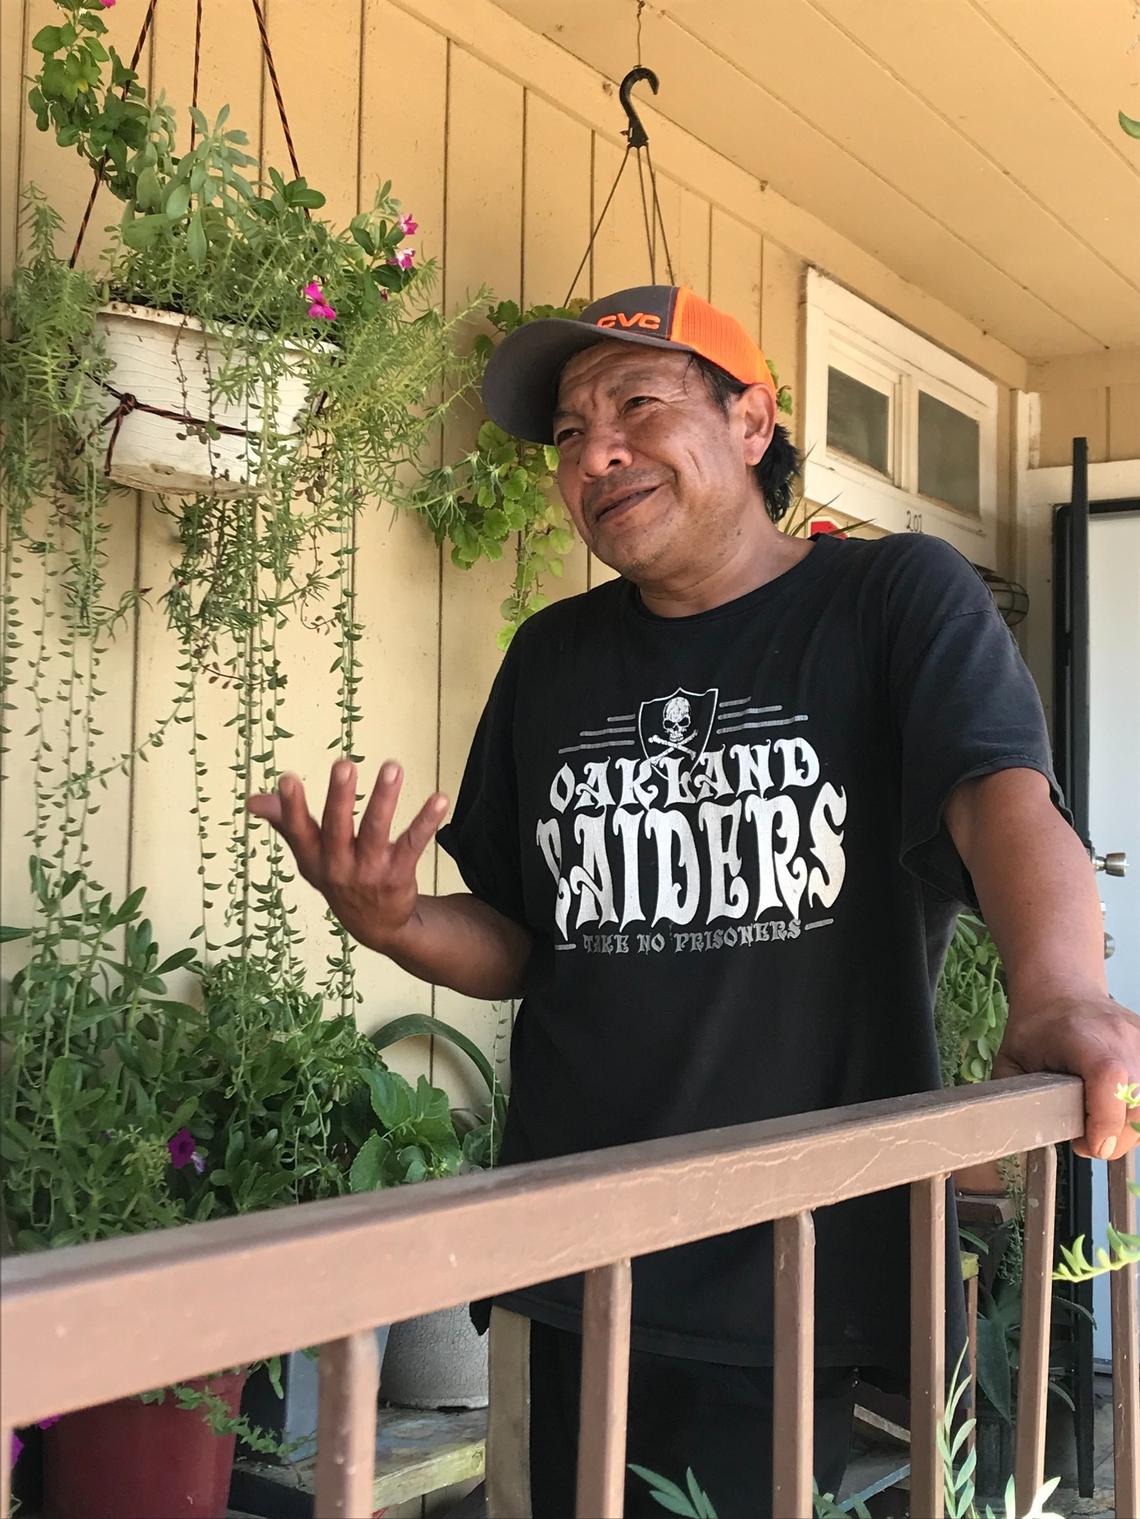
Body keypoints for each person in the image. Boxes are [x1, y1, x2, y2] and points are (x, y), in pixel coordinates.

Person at [248, 284, 1140, 1518]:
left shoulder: (891, 600)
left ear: (752, 421)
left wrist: (1062, 990)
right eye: (570, 434)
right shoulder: (552, 660)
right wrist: (393, 920)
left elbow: (1000, 797)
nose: (595, 453)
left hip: (801, 1258)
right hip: (572, 1249)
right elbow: (523, 940)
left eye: (637, 406)